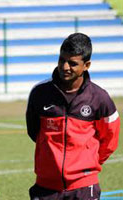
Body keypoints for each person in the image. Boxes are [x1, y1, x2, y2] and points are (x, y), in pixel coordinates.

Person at [26, 32, 120, 200]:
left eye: (72, 63)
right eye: (62, 60)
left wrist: (87, 163)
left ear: (87, 65)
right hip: (46, 187)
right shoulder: (39, 93)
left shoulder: (100, 98)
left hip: (84, 187)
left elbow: (110, 139)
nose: (65, 67)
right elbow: (34, 132)